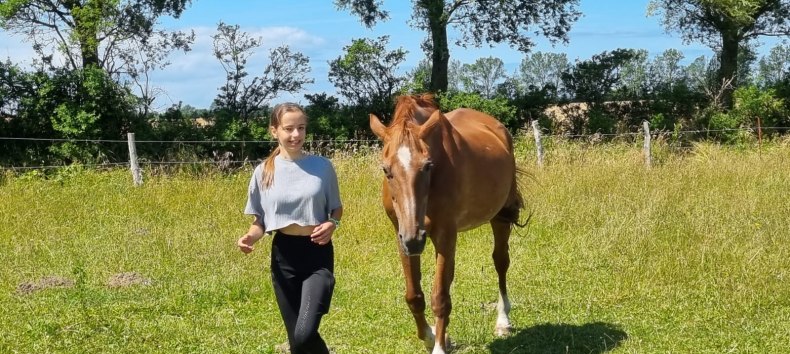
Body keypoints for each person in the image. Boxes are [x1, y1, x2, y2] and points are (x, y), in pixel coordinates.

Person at [237, 102, 342, 354]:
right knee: (297, 343)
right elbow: (260, 221)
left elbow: (336, 209)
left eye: (301, 128)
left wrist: (332, 224)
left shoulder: (322, 167)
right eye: (289, 128)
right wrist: (250, 238)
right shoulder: (263, 172)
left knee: (304, 334)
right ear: (274, 131)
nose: (296, 135)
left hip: (317, 254)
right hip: (284, 256)